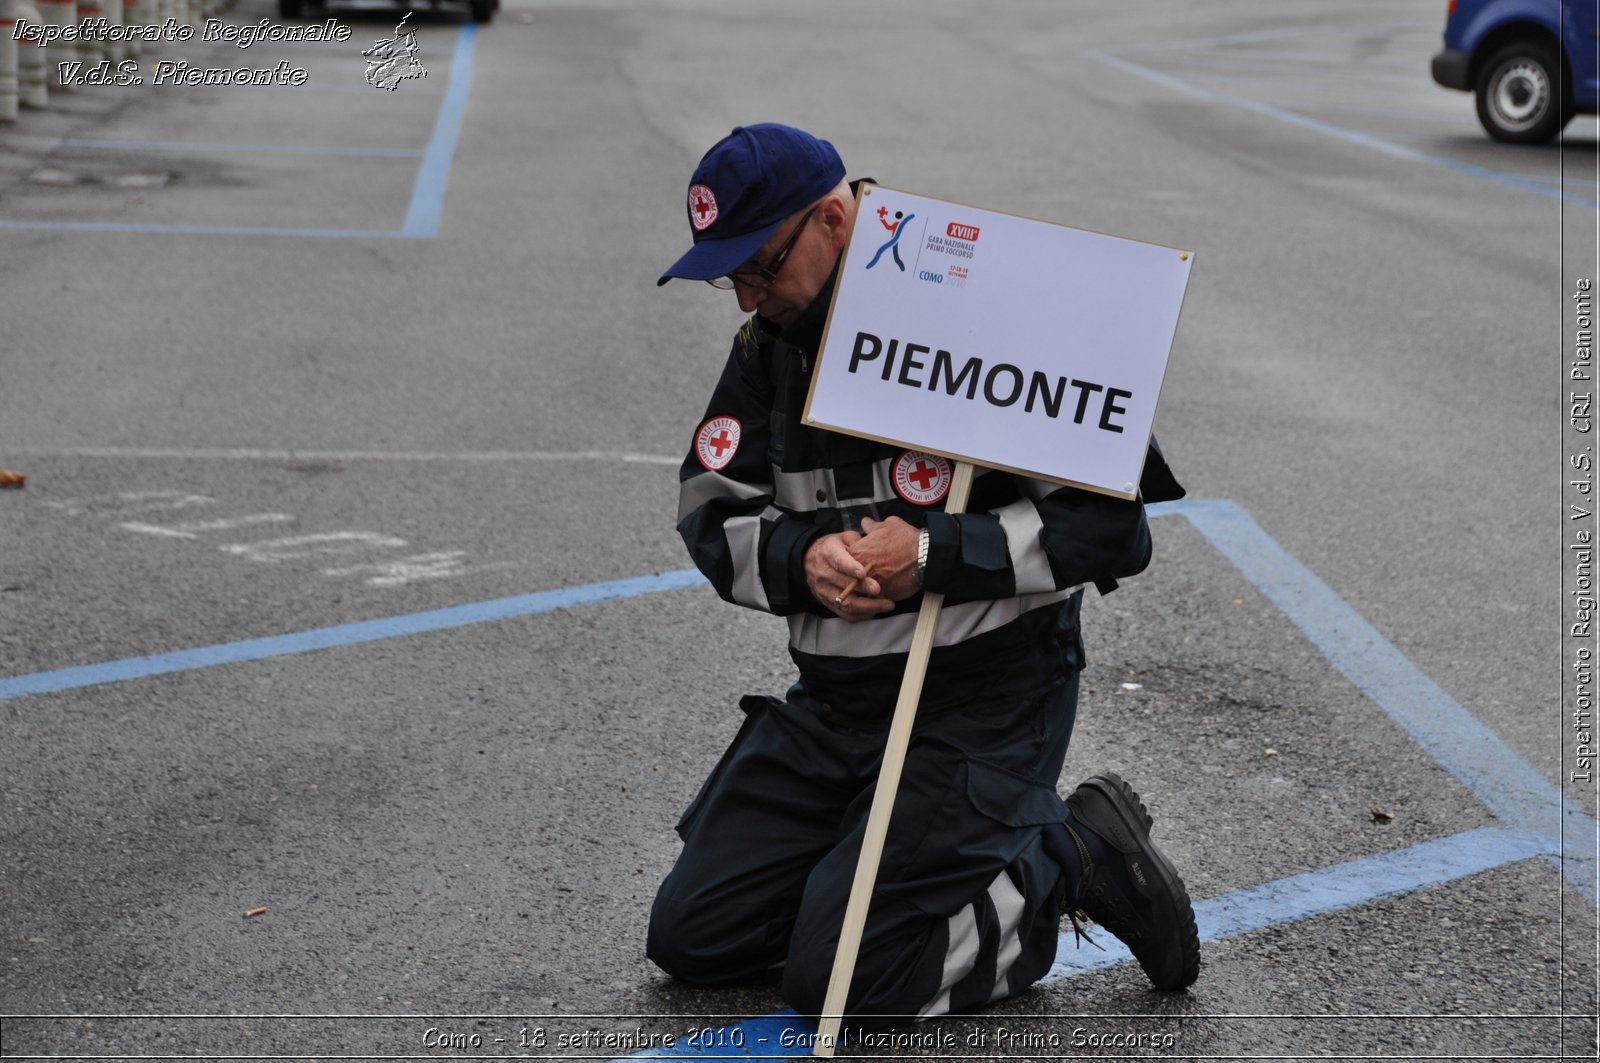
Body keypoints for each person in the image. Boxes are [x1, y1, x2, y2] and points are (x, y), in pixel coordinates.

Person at [649, 123, 1198, 1031]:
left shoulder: (983, 312)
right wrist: (801, 560)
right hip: (837, 708)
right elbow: (711, 506)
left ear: (834, 219)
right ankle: (878, 861)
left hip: (984, 701)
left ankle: (1069, 850)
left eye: (761, 263)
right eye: (728, 274)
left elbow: (1112, 529)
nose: (745, 293)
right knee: (694, 935)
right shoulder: (769, 342)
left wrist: (935, 555)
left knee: (843, 985)